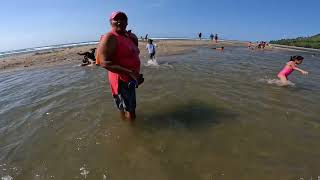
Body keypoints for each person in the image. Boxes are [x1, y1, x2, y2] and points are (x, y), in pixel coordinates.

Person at [96, 11, 144, 121]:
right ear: (110, 22)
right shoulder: (110, 37)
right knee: (130, 111)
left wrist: (135, 75)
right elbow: (104, 62)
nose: (119, 21)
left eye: (123, 19)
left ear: (127, 23)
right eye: (116, 19)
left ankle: (124, 124)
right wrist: (131, 73)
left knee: (127, 107)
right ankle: (133, 133)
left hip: (131, 79)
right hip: (121, 80)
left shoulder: (129, 37)